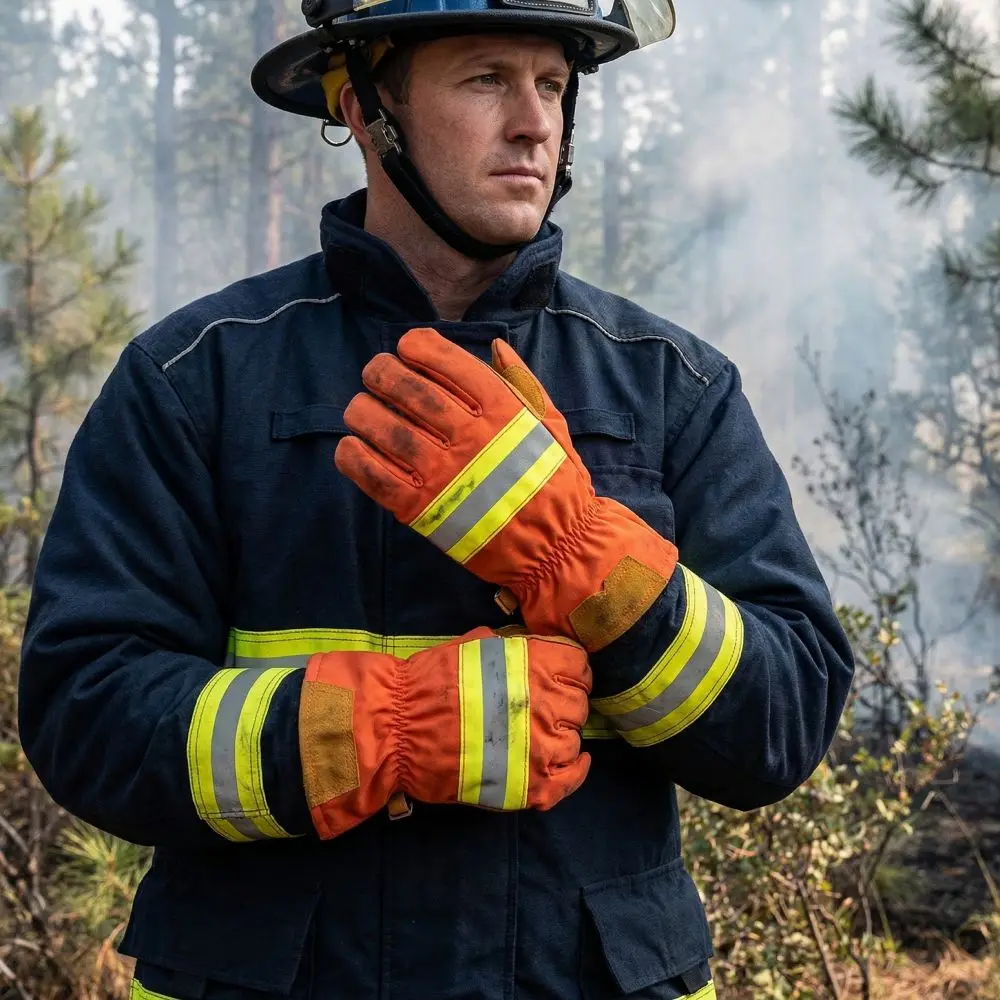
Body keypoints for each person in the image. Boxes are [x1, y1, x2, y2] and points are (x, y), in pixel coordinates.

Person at [17, 0, 855, 994]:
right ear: (366, 110)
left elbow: (781, 725)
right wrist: (381, 730)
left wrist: (584, 557)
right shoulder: (198, 378)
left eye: (551, 84)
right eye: (486, 78)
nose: (535, 122)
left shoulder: (672, 387)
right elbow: (87, 714)